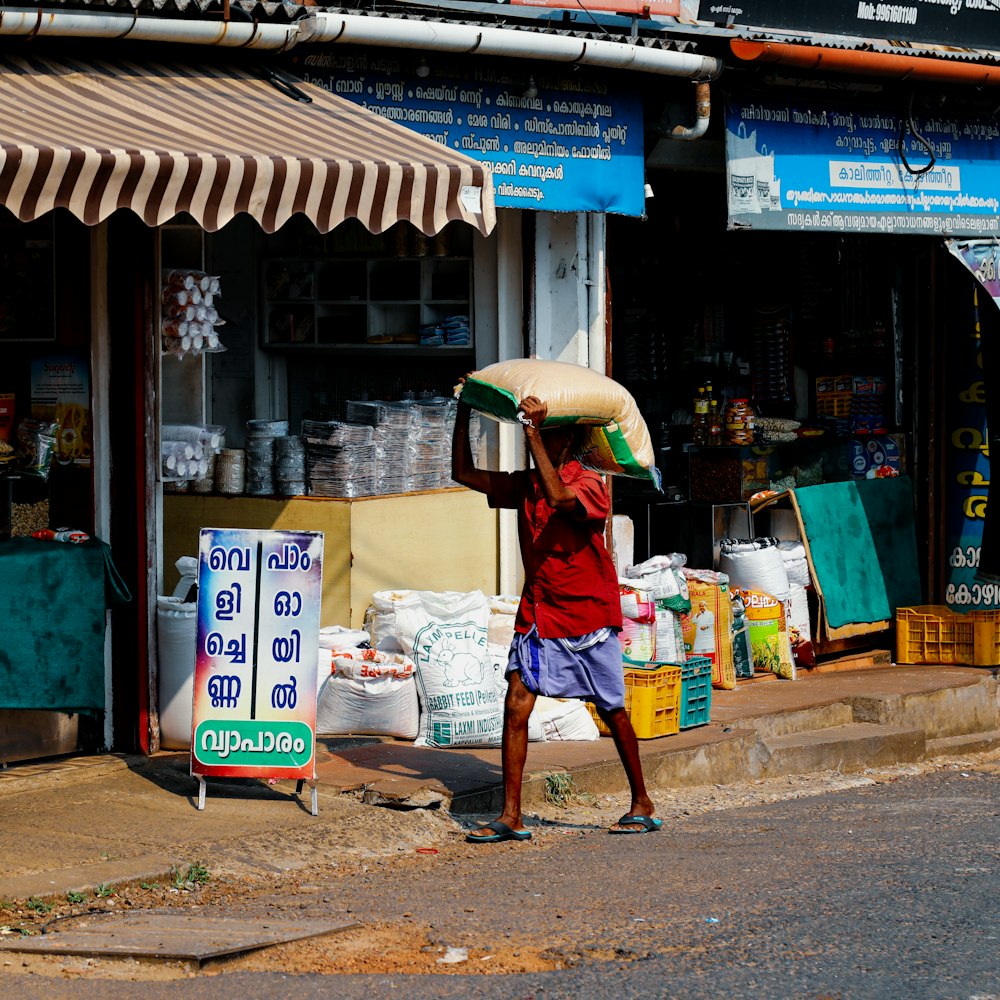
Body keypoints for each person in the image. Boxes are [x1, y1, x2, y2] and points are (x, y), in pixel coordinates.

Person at [452, 391, 660, 842]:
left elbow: (560, 497)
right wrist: (464, 409)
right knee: (516, 705)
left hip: (587, 615)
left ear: (569, 438)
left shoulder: (590, 484)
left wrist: (530, 432)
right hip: (540, 612)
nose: (543, 439)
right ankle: (511, 815)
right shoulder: (528, 483)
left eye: (550, 432)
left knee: (612, 709)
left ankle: (641, 800)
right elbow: (462, 473)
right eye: (540, 432)